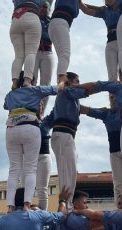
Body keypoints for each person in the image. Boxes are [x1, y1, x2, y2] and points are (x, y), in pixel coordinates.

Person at [77, 64, 122, 211]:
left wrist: (75, 89)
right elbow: (86, 110)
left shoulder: (120, 87)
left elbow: (96, 85)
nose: (114, 100)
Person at [4, 72, 58, 211]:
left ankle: (10, 206)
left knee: (14, 170)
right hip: (30, 127)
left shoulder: (11, 94)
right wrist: (63, 81)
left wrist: (14, 89)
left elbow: (5, 105)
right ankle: (27, 204)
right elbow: (56, 89)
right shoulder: (34, 90)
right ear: (31, 80)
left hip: (11, 128)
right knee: (30, 169)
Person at [51, 72, 90, 207]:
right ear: (68, 82)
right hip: (62, 134)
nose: (78, 84)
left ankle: (68, 204)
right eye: (76, 81)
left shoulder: (70, 98)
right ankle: (66, 205)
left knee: (70, 172)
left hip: (65, 135)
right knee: (67, 173)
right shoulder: (67, 91)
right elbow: (84, 90)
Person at [80, 93, 122, 207]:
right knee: (118, 182)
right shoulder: (106, 113)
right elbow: (87, 110)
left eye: (116, 97)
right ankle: (119, 207)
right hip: (114, 152)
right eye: (111, 97)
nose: (114, 100)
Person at [79, 0, 120, 82]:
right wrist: (78, 2)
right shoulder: (105, 11)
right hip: (111, 44)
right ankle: (112, 94)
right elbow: (86, 10)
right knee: (112, 77)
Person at [10, 0, 42, 89]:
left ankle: (14, 83)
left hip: (16, 19)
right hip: (31, 15)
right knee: (31, 52)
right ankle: (27, 81)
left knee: (18, 56)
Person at [48, 0, 80, 90]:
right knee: (65, 55)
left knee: (62, 57)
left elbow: (84, 6)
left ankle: (60, 80)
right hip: (60, 22)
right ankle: (61, 78)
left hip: (56, 24)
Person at [33, 1, 55, 113]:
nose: (43, 8)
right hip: (34, 51)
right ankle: (31, 108)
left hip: (48, 52)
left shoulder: (53, 21)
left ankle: (41, 113)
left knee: (46, 84)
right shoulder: (33, 18)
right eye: (41, 7)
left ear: (49, 9)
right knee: (32, 80)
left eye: (45, 7)